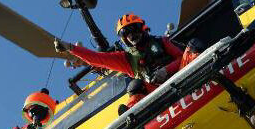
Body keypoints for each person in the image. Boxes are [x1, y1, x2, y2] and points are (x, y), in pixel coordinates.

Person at [55, 14, 184, 92]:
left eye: (133, 30)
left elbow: (182, 57)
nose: (131, 36)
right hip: (155, 90)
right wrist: (70, 47)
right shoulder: (126, 59)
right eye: (125, 34)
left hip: (181, 75)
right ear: (123, 39)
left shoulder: (161, 41)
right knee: (135, 87)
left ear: (141, 29)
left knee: (192, 48)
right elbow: (96, 59)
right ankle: (132, 121)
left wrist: (166, 70)